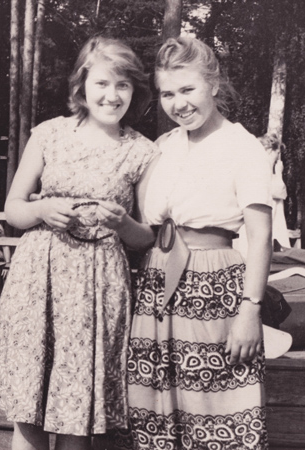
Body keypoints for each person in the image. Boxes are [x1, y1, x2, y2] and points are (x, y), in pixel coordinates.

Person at [0, 36, 157, 450]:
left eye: (122, 85)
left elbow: (146, 236)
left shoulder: (143, 152)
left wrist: (124, 223)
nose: (112, 95)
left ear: (134, 91)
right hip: (38, 279)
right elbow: (13, 209)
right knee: (29, 405)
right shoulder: (49, 134)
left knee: (78, 411)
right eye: (102, 83)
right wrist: (42, 210)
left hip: (98, 288)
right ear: (82, 85)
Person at [117, 37, 273, 450]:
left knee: (217, 407)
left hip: (214, 287)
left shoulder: (243, 147)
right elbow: (148, 230)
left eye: (188, 89)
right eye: (168, 94)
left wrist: (250, 311)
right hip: (157, 286)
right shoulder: (162, 147)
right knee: (155, 407)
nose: (178, 104)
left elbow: (260, 236)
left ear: (214, 85)